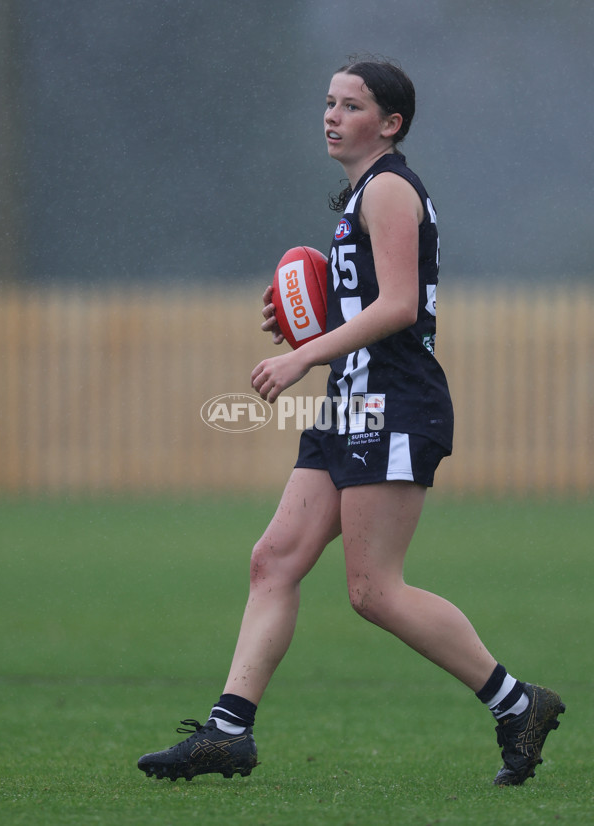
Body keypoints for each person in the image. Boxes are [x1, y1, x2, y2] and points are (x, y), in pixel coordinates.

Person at [137, 56, 564, 787]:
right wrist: (313, 321)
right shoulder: (362, 193)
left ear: (390, 124)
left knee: (372, 590)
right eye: (328, 103)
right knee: (273, 560)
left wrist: (305, 354)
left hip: (394, 402)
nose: (332, 115)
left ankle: (517, 702)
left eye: (351, 106)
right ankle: (227, 733)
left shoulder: (390, 187)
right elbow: (371, 307)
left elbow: (399, 306)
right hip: (351, 401)